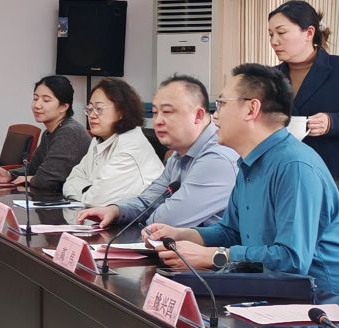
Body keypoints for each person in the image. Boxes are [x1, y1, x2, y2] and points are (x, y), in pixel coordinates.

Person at [145, 64, 339, 301]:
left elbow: (291, 261)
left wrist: (213, 256)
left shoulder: (294, 166)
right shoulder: (248, 162)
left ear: (251, 109)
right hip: (263, 289)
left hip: (317, 303)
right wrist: (183, 234)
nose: (215, 116)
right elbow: (231, 232)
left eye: (222, 103)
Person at [77, 74, 238, 233]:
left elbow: (168, 220)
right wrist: (116, 211)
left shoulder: (217, 158)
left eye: (167, 112)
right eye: (155, 112)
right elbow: (148, 201)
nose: (158, 121)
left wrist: (144, 216)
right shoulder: (179, 154)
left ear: (198, 115)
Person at [268, 0, 339, 184]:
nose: (274, 41)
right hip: (282, 175)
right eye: (271, 34)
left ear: (309, 33)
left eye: (281, 32)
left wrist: (332, 122)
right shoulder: (270, 77)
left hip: (330, 176)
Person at [63, 78, 165, 208]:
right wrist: (89, 190)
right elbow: (71, 180)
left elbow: (96, 200)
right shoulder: (98, 140)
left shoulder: (130, 147)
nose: (92, 115)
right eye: (90, 108)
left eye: (99, 108)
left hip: (143, 219)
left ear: (121, 111)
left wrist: (86, 191)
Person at [0, 75, 89, 197]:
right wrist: (9, 174)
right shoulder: (50, 132)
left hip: (72, 202)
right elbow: (33, 168)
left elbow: (46, 180)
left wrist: (30, 178)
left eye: (46, 100)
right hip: (52, 197)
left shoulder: (69, 132)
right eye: (35, 98)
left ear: (63, 107)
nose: (37, 105)